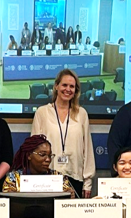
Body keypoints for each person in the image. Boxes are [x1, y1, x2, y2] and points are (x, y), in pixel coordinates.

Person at [32, 69, 95, 197]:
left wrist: (87, 182)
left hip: (75, 176)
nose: (68, 89)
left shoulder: (81, 114)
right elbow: (33, 149)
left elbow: (87, 149)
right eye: (64, 85)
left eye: (72, 86)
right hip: (47, 178)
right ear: (56, 86)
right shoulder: (42, 112)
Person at [2, 134, 75, 194]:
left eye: (50, 156)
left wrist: (69, 196)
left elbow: (66, 205)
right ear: (29, 155)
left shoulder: (59, 178)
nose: (48, 159)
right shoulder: (14, 179)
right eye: (42, 155)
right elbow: (9, 203)